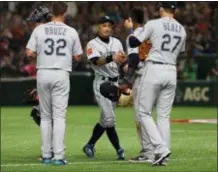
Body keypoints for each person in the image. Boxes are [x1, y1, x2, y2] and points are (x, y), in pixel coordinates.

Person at [124, 2, 186, 166]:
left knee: (143, 112)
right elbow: (182, 52)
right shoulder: (182, 29)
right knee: (164, 116)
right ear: (174, 10)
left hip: (154, 69)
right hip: (172, 71)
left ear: (160, 9)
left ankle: (159, 149)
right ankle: (163, 155)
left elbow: (133, 43)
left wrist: (131, 29)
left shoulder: (154, 24)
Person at [26, 2, 83, 165]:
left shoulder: (39, 29)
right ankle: (58, 157)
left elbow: (29, 52)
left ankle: (46, 155)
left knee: (45, 116)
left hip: (43, 72)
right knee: (59, 116)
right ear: (64, 13)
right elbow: (78, 56)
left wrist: (40, 53)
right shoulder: (71, 31)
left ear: (52, 12)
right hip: (61, 73)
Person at [83, 16, 126, 160]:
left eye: (109, 26)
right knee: (110, 119)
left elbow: (122, 63)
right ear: (98, 27)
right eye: (104, 25)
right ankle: (119, 150)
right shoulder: (92, 44)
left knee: (104, 120)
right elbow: (96, 61)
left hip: (115, 84)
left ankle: (89, 145)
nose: (107, 28)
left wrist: (128, 68)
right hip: (101, 84)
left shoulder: (117, 42)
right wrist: (111, 58)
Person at [122, 8, 154, 163]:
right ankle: (154, 148)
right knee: (147, 114)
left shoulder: (134, 36)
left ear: (131, 20)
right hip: (155, 74)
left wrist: (127, 79)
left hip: (143, 77)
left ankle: (148, 152)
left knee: (141, 115)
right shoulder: (150, 32)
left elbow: (134, 59)